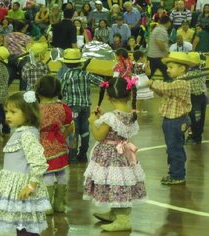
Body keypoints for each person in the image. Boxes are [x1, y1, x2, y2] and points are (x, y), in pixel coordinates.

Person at [84, 76, 146, 232]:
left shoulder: (111, 117)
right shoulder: (130, 115)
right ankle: (115, 213)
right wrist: (104, 118)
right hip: (123, 154)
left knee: (116, 184)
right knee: (118, 183)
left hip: (110, 156)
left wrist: (92, 121)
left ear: (107, 96)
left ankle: (123, 219)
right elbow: (117, 128)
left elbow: (99, 136)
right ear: (130, 95)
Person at [0, 90, 51, 235]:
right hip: (18, 189)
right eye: (6, 111)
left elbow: (38, 162)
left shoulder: (27, 134)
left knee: (26, 228)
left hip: (24, 189)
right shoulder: (21, 131)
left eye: (13, 112)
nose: (8, 115)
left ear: (27, 113)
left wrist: (31, 185)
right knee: (22, 226)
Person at [146, 52, 194, 184]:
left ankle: (177, 175)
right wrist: (151, 82)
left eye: (171, 67)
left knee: (175, 148)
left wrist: (151, 82)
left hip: (176, 121)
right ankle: (175, 172)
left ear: (182, 68)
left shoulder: (182, 83)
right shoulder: (177, 82)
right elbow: (162, 92)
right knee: (173, 147)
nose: (167, 70)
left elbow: (167, 88)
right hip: (170, 120)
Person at [35, 75, 73, 215]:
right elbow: (70, 125)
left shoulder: (35, 109)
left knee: (47, 175)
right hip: (59, 145)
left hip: (41, 145)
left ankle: (46, 206)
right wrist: (62, 137)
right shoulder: (63, 107)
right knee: (62, 173)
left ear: (38, 91)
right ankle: (60, 204)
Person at [60, 48, 104, 163]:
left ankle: (73, 157)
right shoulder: (87, 74)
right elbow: (102, 83)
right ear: (80, 62)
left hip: (72, 107)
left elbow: (61, 91)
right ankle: (83, 154)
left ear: (66, 63)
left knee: (73, 131)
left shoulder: (66, 76)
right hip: (86, 106)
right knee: (85, 130)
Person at [186, 52, 207, 144]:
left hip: (195, 98)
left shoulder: (189, 74)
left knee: (195, 119)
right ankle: (197, 135)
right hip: (202, 98)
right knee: (200, 118)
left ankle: (195, 136)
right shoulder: (201, 71)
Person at [147, 15, 171, 81]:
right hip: (158, 57)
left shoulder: (157, 28)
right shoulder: (161, 30)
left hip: (153, 56)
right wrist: (166, 52)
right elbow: (159, 43)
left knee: (149, 75)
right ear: (168, 22)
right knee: (168, 74)